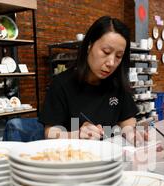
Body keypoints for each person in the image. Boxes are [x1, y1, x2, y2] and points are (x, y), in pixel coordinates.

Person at [38, 16, 145, 145]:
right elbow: (50, 132)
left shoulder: (117, 84)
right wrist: (77, 135)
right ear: (89, 46)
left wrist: (131, 132)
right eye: (106, 52)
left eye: (118, 56)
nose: (111, 63)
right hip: (73, 157)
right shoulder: (62, 84)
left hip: (107, 156)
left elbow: (127, 120)